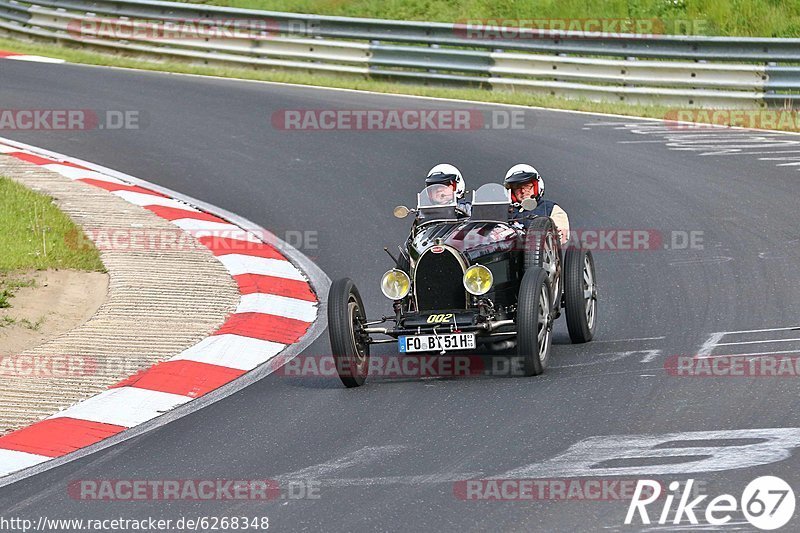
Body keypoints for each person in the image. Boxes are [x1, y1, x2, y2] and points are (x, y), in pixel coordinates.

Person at [503, 163, 570, 245]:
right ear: (511, 192)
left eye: (527, 186)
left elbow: (561, 235)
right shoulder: (503, 210)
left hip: (538, 253)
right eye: (517, 188)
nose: (523, 191)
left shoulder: (550, 208)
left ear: (536, 187)